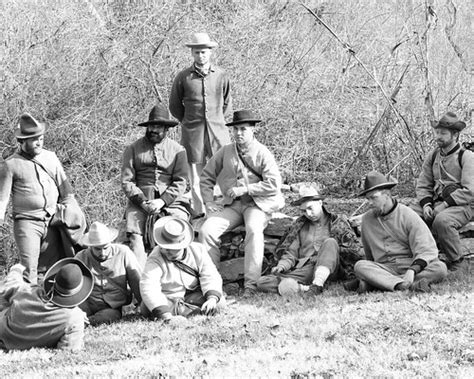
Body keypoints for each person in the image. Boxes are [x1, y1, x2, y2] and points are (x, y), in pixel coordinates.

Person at [198, 110, 285, 296]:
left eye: (243, 129)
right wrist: (208, 201)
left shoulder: (262, 152)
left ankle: (251, 286)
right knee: (207, 230)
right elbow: (206, 176)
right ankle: (213, 284)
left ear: (253, 130)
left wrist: (246, 189)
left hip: (258, 204)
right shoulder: (226, 151)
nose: (238, 133)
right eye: (236, 129)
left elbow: (274, 184)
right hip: (233, 205)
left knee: (253, 229)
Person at [0, 113, 78, 284]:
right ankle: (27, 307)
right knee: (30, 269)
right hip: (27, 223)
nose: (39, 143)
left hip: (53, 220)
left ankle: (50, 306)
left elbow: (66, 191)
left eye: (41, 138)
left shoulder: (50, 157)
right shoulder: (10, 164)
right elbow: (2, 200)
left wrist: (71, 213)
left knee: (54, 268)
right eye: (34, 140)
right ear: (22, 141)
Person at [346, 171, 447, 293]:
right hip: (385, 268)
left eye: (373, 198)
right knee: (360, 266)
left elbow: (427, 250)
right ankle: (403, 285)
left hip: (410, 265)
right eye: (368, 199)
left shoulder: (408, 215)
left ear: (387, 195)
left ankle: (375, 283)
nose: (370, 203)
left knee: (440, 268)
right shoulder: (367, 220)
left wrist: (412, 270)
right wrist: (373, 270)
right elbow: (369, 256)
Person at [256, 186, 362, 296]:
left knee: (330, 242)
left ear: (320, 203)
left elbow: (353, 250)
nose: (308, 214)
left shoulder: (336, 221)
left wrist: (326, 253)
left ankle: (318, 282)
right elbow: (291, 253)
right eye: (304, 211)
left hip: (331, 268)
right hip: (306, 270)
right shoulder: (299, 225)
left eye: (310, 208)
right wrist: (282, 266)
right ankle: (306, 288)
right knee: (263, 282)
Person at [169, 32, 232, 216]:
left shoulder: (221, 75)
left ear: (210, 52)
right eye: (197, 52)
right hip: (193, 136)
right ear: (192, 54)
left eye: (204, 52)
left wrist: (217, 121)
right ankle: (199, 213)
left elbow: (227, 104)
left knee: (223, 172)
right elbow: (174, 106)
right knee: (196, 176)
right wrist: (189, 123)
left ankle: (225, 211)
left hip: (218, 134)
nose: (200, 56)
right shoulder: (183, 77)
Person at [121, 103, 190, 267]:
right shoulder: (133, 149)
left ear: (166, 129)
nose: (153, 130)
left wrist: (162, 201)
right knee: (135, 236)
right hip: (140, 202)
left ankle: (175, 272)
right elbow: (127, 181)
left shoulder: (178, 150)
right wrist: (142, 202)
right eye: (151, 125)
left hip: (171, 201)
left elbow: (181, 181)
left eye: (158, 127)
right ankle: (140, 280)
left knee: (175, 228)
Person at [412, 112, 473, 271]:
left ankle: (457, 261)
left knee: (442, 221)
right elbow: (423, 184)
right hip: (437, 202)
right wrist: (426, 204)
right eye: (437, 132)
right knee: (408, 214)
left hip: (463, 206)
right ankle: (414, 257)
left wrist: (444, 205)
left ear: (455, 135)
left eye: (443, 133)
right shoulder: (432, 156)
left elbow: (470, 191)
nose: (438, 136)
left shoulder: (467, 157)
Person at [140, 216, 224, 323]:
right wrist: (166, 316)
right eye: (164, 248)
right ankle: (186, 312)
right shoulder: (155, 258)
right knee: (146, 307)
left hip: (191, 296)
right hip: (168, 298)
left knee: (219, 302)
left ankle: (187, 310)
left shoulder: (198, 250)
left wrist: (212, 299)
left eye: (172, 249)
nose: (167, 252)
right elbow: (149, 286)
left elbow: (210, 275)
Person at [0, 258, 93, 351]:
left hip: (4, 335)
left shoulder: (29, 291)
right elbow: (69, 348)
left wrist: (16, 270)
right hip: (25, 346)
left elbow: (9, 286)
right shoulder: (75, 318)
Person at [75, 221, 142, 325]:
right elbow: (73, 287)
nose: (102, 253)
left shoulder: (124, 252)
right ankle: (80, 320)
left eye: (105, 248)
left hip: (112, 307)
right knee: (73, 313)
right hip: (88, 303)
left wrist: (142, 304)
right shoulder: (81, 257)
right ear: (90, 246)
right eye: (97, 249)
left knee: (110, 316)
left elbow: (136, 280)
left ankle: (85, 322)